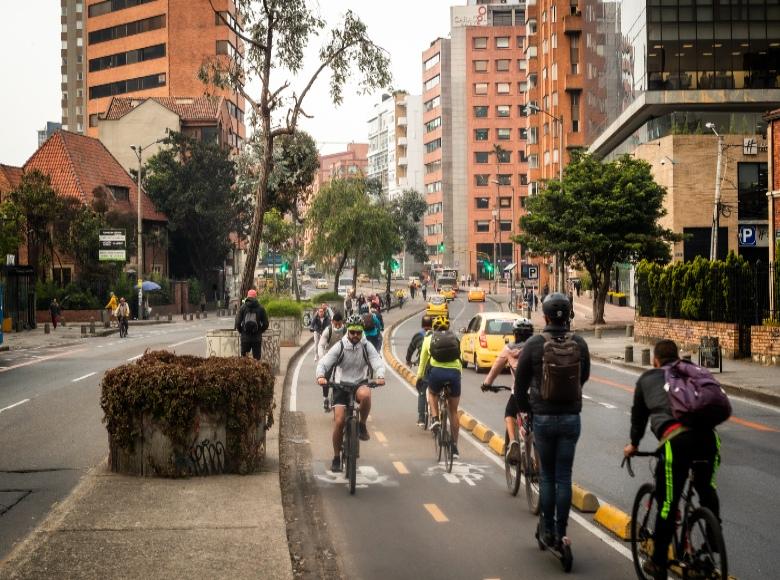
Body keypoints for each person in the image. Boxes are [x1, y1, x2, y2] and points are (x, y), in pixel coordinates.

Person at [623, 340, 722, 580]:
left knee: (668, 503)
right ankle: (711, 548)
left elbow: (639, 420)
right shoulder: (691, 373)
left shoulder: (647, 380)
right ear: (677, 357)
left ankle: (658, 562)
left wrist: (634, 445)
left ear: (655, 360)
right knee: (706, 489)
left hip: (676, 442)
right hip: (709, 440)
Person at [514, 292, 590, 553]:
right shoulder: (579, 343)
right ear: (569, 315)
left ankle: (546, 530)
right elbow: (584, 376)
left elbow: (520, 384)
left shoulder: (534, 344)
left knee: (546, 475)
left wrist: (527, 410)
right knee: (564, 476)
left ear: (544, 315)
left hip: (543, 418)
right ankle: (562, 530)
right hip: (571, 418)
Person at [316, 314, 385, 472]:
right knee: (339, 422)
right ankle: (335, 457)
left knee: (366, 395)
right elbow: (325, 363)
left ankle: (361, 425)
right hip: (341, 385)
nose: (355, 336)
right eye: (352, 332)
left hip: (359, 382)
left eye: (358, 333)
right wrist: (320, 376)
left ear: (362, 332)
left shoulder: (366, 345)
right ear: (348, 331)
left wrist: (380, 375)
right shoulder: (340, 346)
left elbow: (376, 360)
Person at [481, 318, 534, 463]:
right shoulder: (538, 347)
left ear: (515, 334)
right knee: (537, 432)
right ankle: (538, 468)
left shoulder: (509, 349)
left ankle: (513, 442)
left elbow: (495, 368)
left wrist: (487, 384)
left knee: (509, 413)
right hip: (537, 393)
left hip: (519, 393)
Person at [417, 315, 463, 458]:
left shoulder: (427, 339)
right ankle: (454, 447)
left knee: (432, 394)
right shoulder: (455, 338)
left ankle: (435, 419)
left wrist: (419, 377)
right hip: (454, 374)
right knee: (454, 411)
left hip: (436, 373)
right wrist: (458, 376)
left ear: (433, 328)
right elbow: (459, 359)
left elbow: (423, 362)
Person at [407, 315, 433, 425]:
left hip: (425, 366)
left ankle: (422, 418)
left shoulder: (418, 336)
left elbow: (410, 349)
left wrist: (408, 360)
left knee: (422, 390)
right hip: (437, 366)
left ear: (422, 325)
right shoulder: (435, 335)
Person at [318, 311, 346, 412]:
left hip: (342, 357)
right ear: (332, 322)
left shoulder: (346, 331)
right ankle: (325, 398)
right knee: (326, 377)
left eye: (339, 324)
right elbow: (321, 345)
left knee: (345, 377)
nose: (338, 326)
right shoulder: (328, 331)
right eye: (336, 324)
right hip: (329, 356)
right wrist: (322, 358)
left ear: (342, 322)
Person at [234, 289, 270, 360]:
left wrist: (242, 331)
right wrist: (260, 331)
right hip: (256, 338)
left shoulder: (243, 307)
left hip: (245, 338)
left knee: (244, 360)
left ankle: (245, 371)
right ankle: (256, 370)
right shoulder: (261, 308)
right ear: (256, 297)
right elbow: (266, 324)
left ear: (247, 297)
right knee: (256, 359)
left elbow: (237, 323)